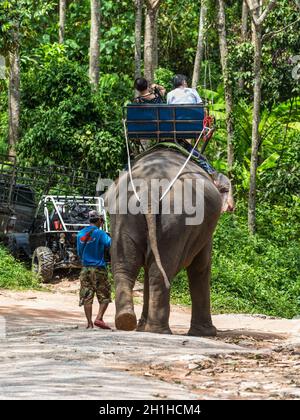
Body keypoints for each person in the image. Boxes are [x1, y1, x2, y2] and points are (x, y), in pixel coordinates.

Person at [77, 210, 112, 329]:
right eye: (102, 220)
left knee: (87, 296)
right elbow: (110, 244)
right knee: (105, 295)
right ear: (99, 220)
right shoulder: (100, 234)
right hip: (99, 269)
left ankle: (89, 323)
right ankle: (99, 318)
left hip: (85, 269)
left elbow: (79, 252)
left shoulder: (80, 234)